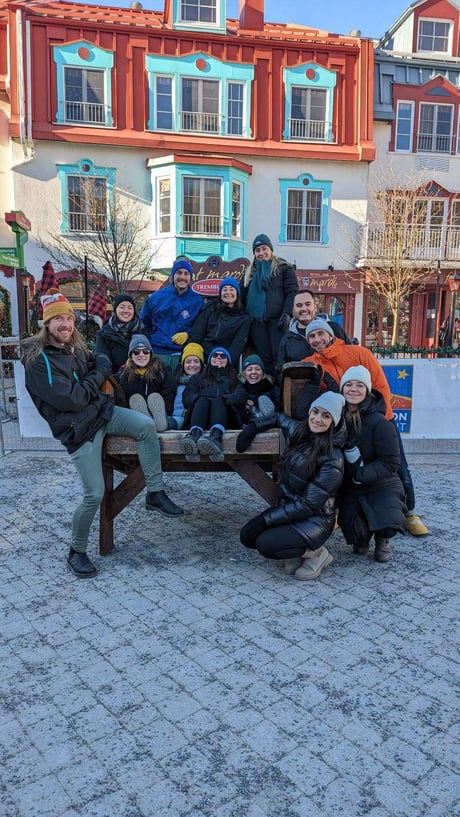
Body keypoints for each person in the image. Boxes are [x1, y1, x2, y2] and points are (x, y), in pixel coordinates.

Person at [22, 290, 184, 579]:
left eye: (69, 319)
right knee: (94, 493)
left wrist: (98, 367)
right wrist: (97, 373)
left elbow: (98, 360)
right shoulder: (39, 361)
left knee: (146, 426)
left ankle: (155, 493)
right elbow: (72, 399)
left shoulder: (74, 350)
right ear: (47, 324)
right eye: (58, 319)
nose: (65, 324)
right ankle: (76, 551)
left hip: (101, 413)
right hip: (79, 430)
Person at [297, 319, 429, 537]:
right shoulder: (310, 363)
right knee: (342, 466)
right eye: (312, 336)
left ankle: (410, 512)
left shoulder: (358, 353)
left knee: (398, 466)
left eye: (320, 334)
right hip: (344, 421)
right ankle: (341, 513)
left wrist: (380, 418)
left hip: (376, 417)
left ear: (330, 335)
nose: (317, 339)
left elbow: (380, 385)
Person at [239, 392, 346, 581]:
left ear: (333, 422)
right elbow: (278, 418)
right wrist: (252, 428)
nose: (317, 419)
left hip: (315, 520)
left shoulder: (333, 459)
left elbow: (307, 505)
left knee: (265, 544)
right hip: (291, 510)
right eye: (315, 412)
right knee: (247, 537)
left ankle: (317, 553)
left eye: (326, 416)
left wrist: (266, 519)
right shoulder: (300, 431)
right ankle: (295, 551)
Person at [338, 366, 407, 563]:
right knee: (355, 532)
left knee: (387, 522)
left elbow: (390, 462)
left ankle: (382, 539)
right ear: (342, 388)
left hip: (381, 483)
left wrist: (362, 475)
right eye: (348, 384)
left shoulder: (380, 422)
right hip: (351, 486)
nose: (353, 389)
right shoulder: (335, 417)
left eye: (360, 385)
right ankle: (363, 538)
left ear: (367, 390)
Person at [243, 234, 298, 376]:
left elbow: (292, 292)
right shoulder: (250, 273)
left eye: (264, 248)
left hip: (277, 320)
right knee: (264, 358)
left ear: (271, 250)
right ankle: (269, 384)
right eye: (257, 250)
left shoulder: (284, 268)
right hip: (257, 322)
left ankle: (281, 386)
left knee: (279, 356)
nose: (261, 253)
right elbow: (241, 296)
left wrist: (287, 313)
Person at [140, 258, 204, 368]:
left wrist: (188, 334)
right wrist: (151, 342)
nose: (182, 277)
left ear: (190, 277)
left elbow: (201, 327)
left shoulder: (197, 301)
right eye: (179, 273)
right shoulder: (156, 298)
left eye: (186, 274)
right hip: (157, 353)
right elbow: (143, 323)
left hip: (183, 355)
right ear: (173, 276)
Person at [180, 346, 238, 461]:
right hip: (199, 416)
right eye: (215, 355)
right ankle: (194, 437)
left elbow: (241, 396)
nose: (218, 358)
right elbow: (187, 398)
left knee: (218, 401)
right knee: (202, 400)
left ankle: (216, 437)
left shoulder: (233, 380)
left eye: (223, 356)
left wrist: (223, 399)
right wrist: (202, 398)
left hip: (225, 420)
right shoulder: (198, 378)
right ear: (210, 359)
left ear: (228, 361)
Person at [277, 288, 352, 375]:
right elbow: (280, 371)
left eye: (308, 304)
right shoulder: (287, 339)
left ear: (315, 307)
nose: (304, 309)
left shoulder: (334, 329)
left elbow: (351, 355)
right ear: (293, 310)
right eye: (299, 305)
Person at [115, 334, 177, 431]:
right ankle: (147, 422)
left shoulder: (162, 370)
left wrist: (166, 410)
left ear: (150, 353)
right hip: (136, 415)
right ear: (131, 355)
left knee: (171, 421)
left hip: (162, 414)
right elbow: (122, 399)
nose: (141, 355)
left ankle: (156, 424)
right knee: (135, 399)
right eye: (136, 352)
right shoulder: (124, 374)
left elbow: (169, 393)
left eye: (145, 351)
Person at [188, 277, 252, 366]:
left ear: (237, 293)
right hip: (205, 356)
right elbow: (196, 335)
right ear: (220, 293)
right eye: (224, 289)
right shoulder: (210, 309)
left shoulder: (243, 318)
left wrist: (226, 362)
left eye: (232, 289)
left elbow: (237, 345)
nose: (228, 292)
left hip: (225, 359)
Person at [95, 292, 148, 375]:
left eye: (130, 308)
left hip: (138, 375)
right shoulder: (104, 333)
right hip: (113, 377)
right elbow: (102, 356)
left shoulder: (142, 331)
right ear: (115, 310)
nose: (126, 311)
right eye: (122, 307)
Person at [226, 353, 279, 427]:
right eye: (249, 369)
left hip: (270, 426)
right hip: (246, 426)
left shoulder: (273, 390)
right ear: (244, 374)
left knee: (263, 400)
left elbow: (280, 410)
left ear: (263, 374)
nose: (254, 372)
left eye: (258, 369)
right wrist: (246, 409)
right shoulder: (240, 390)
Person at [171, 342, 205, 430]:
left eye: (196, 361)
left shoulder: (206, 381)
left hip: (197, 419)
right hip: (178, 417)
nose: (192, 365)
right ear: (183, 365)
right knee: (171, 421)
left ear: (201, 364)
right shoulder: (177, 382)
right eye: (188, 362)